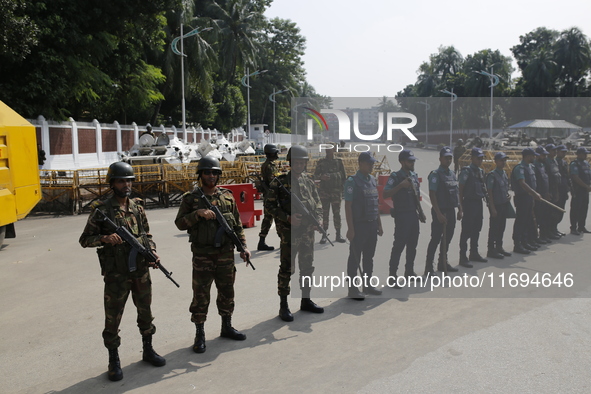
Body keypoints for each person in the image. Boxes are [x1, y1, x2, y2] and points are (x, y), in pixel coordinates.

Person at [79, 162, 165, 382]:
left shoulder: (137, 207)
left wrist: (152, 252)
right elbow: (84, 240)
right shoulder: (101, 209)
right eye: (121, 180)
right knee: (113, 318)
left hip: (140, 272)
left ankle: (148, 349)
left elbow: (146, 235)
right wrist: (104, 238)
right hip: (116, 274)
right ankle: (113, 360)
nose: (126, 184)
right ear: (112, 183)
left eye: (128, 180)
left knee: (145, 311)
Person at [174, 157, 250, 353]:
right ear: (200, 175)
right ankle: (199, 334)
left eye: (214, 173)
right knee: (201, 296)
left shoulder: (228, 196)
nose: (211, 176)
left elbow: (237, 225)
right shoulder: (191, 199)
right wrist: (197, 214)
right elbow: (180, 223)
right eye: (207, 172)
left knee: (227, 291)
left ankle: (227, 326)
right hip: (203, 256)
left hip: (225, 254)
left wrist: (243, 246)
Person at [265, 145, 324, 321]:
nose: (299, 165)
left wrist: (319, 219)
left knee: (307, 267)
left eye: (302, 162)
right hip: (290, 233)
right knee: (286, 269)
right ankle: (284, 306)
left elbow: (318, 202)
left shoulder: (308, 181)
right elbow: (269, 206)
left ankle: (306, 300)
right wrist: (287, 218)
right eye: (296, 162)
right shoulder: (279, 182)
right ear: (290, 162)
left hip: (307, 232)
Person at [344, 152, 384, 300]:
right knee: (354, 258)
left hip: (372, 224)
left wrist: (379, 224)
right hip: (359, 225)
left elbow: (375, 202)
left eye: (372, 163)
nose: (371, 166)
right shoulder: (352, 181)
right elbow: (348, 206)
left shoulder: (373, 180)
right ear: (360, 164)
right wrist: (350, 228)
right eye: (369, 163)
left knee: (369, 257)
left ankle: (367, 284)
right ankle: (353, 289)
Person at [384, 149, 426, 285]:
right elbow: (385, 194)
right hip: (402, 216)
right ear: (402, 162)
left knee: (412, 245)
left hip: (413, 214)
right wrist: (400, 186)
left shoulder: (414, 176)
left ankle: (409, 272)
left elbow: (416, 196)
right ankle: (392, 276)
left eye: (413, 160)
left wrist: (421, 212)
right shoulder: (395, 177)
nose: (412, 163)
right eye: (409, 161)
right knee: (399, 246)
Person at [425, 146, 462, 275]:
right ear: (440, 159)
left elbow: (456, 192)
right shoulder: (436, 175)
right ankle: (429, 266)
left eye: (450, 158)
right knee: (435, 238)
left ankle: (442, 262)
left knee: (448, 238)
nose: (448, 160)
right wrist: (438, 213)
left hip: (450, 210)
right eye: (446, 158)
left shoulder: (452, 174)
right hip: (440, 211)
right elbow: (432, 194)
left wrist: (460, 209)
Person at [458, 147, 488, 267]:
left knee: (477, 228)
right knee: (466, 231)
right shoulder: (466, 171)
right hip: (469, 203)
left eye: (481, 158)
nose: (480, 160)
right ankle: (462, 256)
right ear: (472, 159)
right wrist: (460, 207)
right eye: (478, 158)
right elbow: (460, 190)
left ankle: (473, 253)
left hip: (478, 203)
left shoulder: (480, 171)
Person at [511, 148, 542, 254]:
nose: (535, 157)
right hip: (522, 197)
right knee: (521, 220)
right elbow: (522, 183)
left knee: (527, 220)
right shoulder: (520, 168)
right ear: (528, 156)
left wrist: (533, 195)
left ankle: (525, 242)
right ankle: (518, 244)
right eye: (533, 156)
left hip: (529, 198)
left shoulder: (530, 167)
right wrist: (534, 193)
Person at [314, 142, 347, 243]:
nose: (328, 150)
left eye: (330, 148)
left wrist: (333, 177)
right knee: (325, 214)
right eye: (326, 148)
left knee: (337, 214)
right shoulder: (321, 162)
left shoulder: (338, 162)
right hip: (324, 192)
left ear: (335, 149)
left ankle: (338, 234)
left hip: (336, 192)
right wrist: (321, 177)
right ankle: (324, 234)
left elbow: (344, 176)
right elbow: (315, 175)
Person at [486, 152, 512, 259]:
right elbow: (490, 192)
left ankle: (499, 247)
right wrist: (492, 207)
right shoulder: (492, 175)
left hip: (504, 204)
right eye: (501, 160)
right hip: (496, 205)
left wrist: (508, 195)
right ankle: (491, 249)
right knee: (494, 228)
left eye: (504, 160)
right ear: (496, 161)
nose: (503, 162)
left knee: (502, 227)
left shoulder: (504, 173)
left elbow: (505, 188)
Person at [257, 144, 279, 251]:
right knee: (278, 218)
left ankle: (261, 241)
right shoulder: (270, 166)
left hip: (268, 196)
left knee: (267, 219)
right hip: (272, 196)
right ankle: (284, 241)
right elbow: (273, 181)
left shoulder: (267, 165)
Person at [533, 146, 553, 243]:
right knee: (537, 217)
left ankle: (543, 235)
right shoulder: (534, 166)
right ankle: (535, 237)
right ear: (537, 155)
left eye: (545, 155)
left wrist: (547, 193)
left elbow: (546, 180)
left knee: (544, 216)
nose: (545, 157)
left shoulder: (543, 165)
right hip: (538, 196)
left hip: (545, 195)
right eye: (543, 155)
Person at [569, 147, 591, 235]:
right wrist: (586, 186)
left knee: (584, 208)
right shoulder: (575, 164)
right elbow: (575, 177)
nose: (586, 155)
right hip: (578, 190)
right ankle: (573, 227)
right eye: (584, 153)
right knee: (575, 209)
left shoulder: (586, 163)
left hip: (585, 190)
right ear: (579, 154)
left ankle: (581, 226)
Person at [544, 144, 564, 238]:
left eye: (555, 150)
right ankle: (548, 231)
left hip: (557, 189)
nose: (555, 152)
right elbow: (547, 178)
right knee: (549, 213)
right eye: (553, 150)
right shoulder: (546, 162)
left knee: (556, 211)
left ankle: (554, 229)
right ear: (548, 151)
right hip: (550, 190)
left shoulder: (554, 161)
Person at [555, 145, 570, 236]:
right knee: (555, 211)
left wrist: (568, 190)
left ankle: (555, 228)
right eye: (562, 152)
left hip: (563, 190)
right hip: (557, 190)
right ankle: (552, 229)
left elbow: (567, 177)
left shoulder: (564, 162)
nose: (564, 154)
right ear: (557, 152)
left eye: (565, 152)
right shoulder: (554, 162)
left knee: (561, 210)